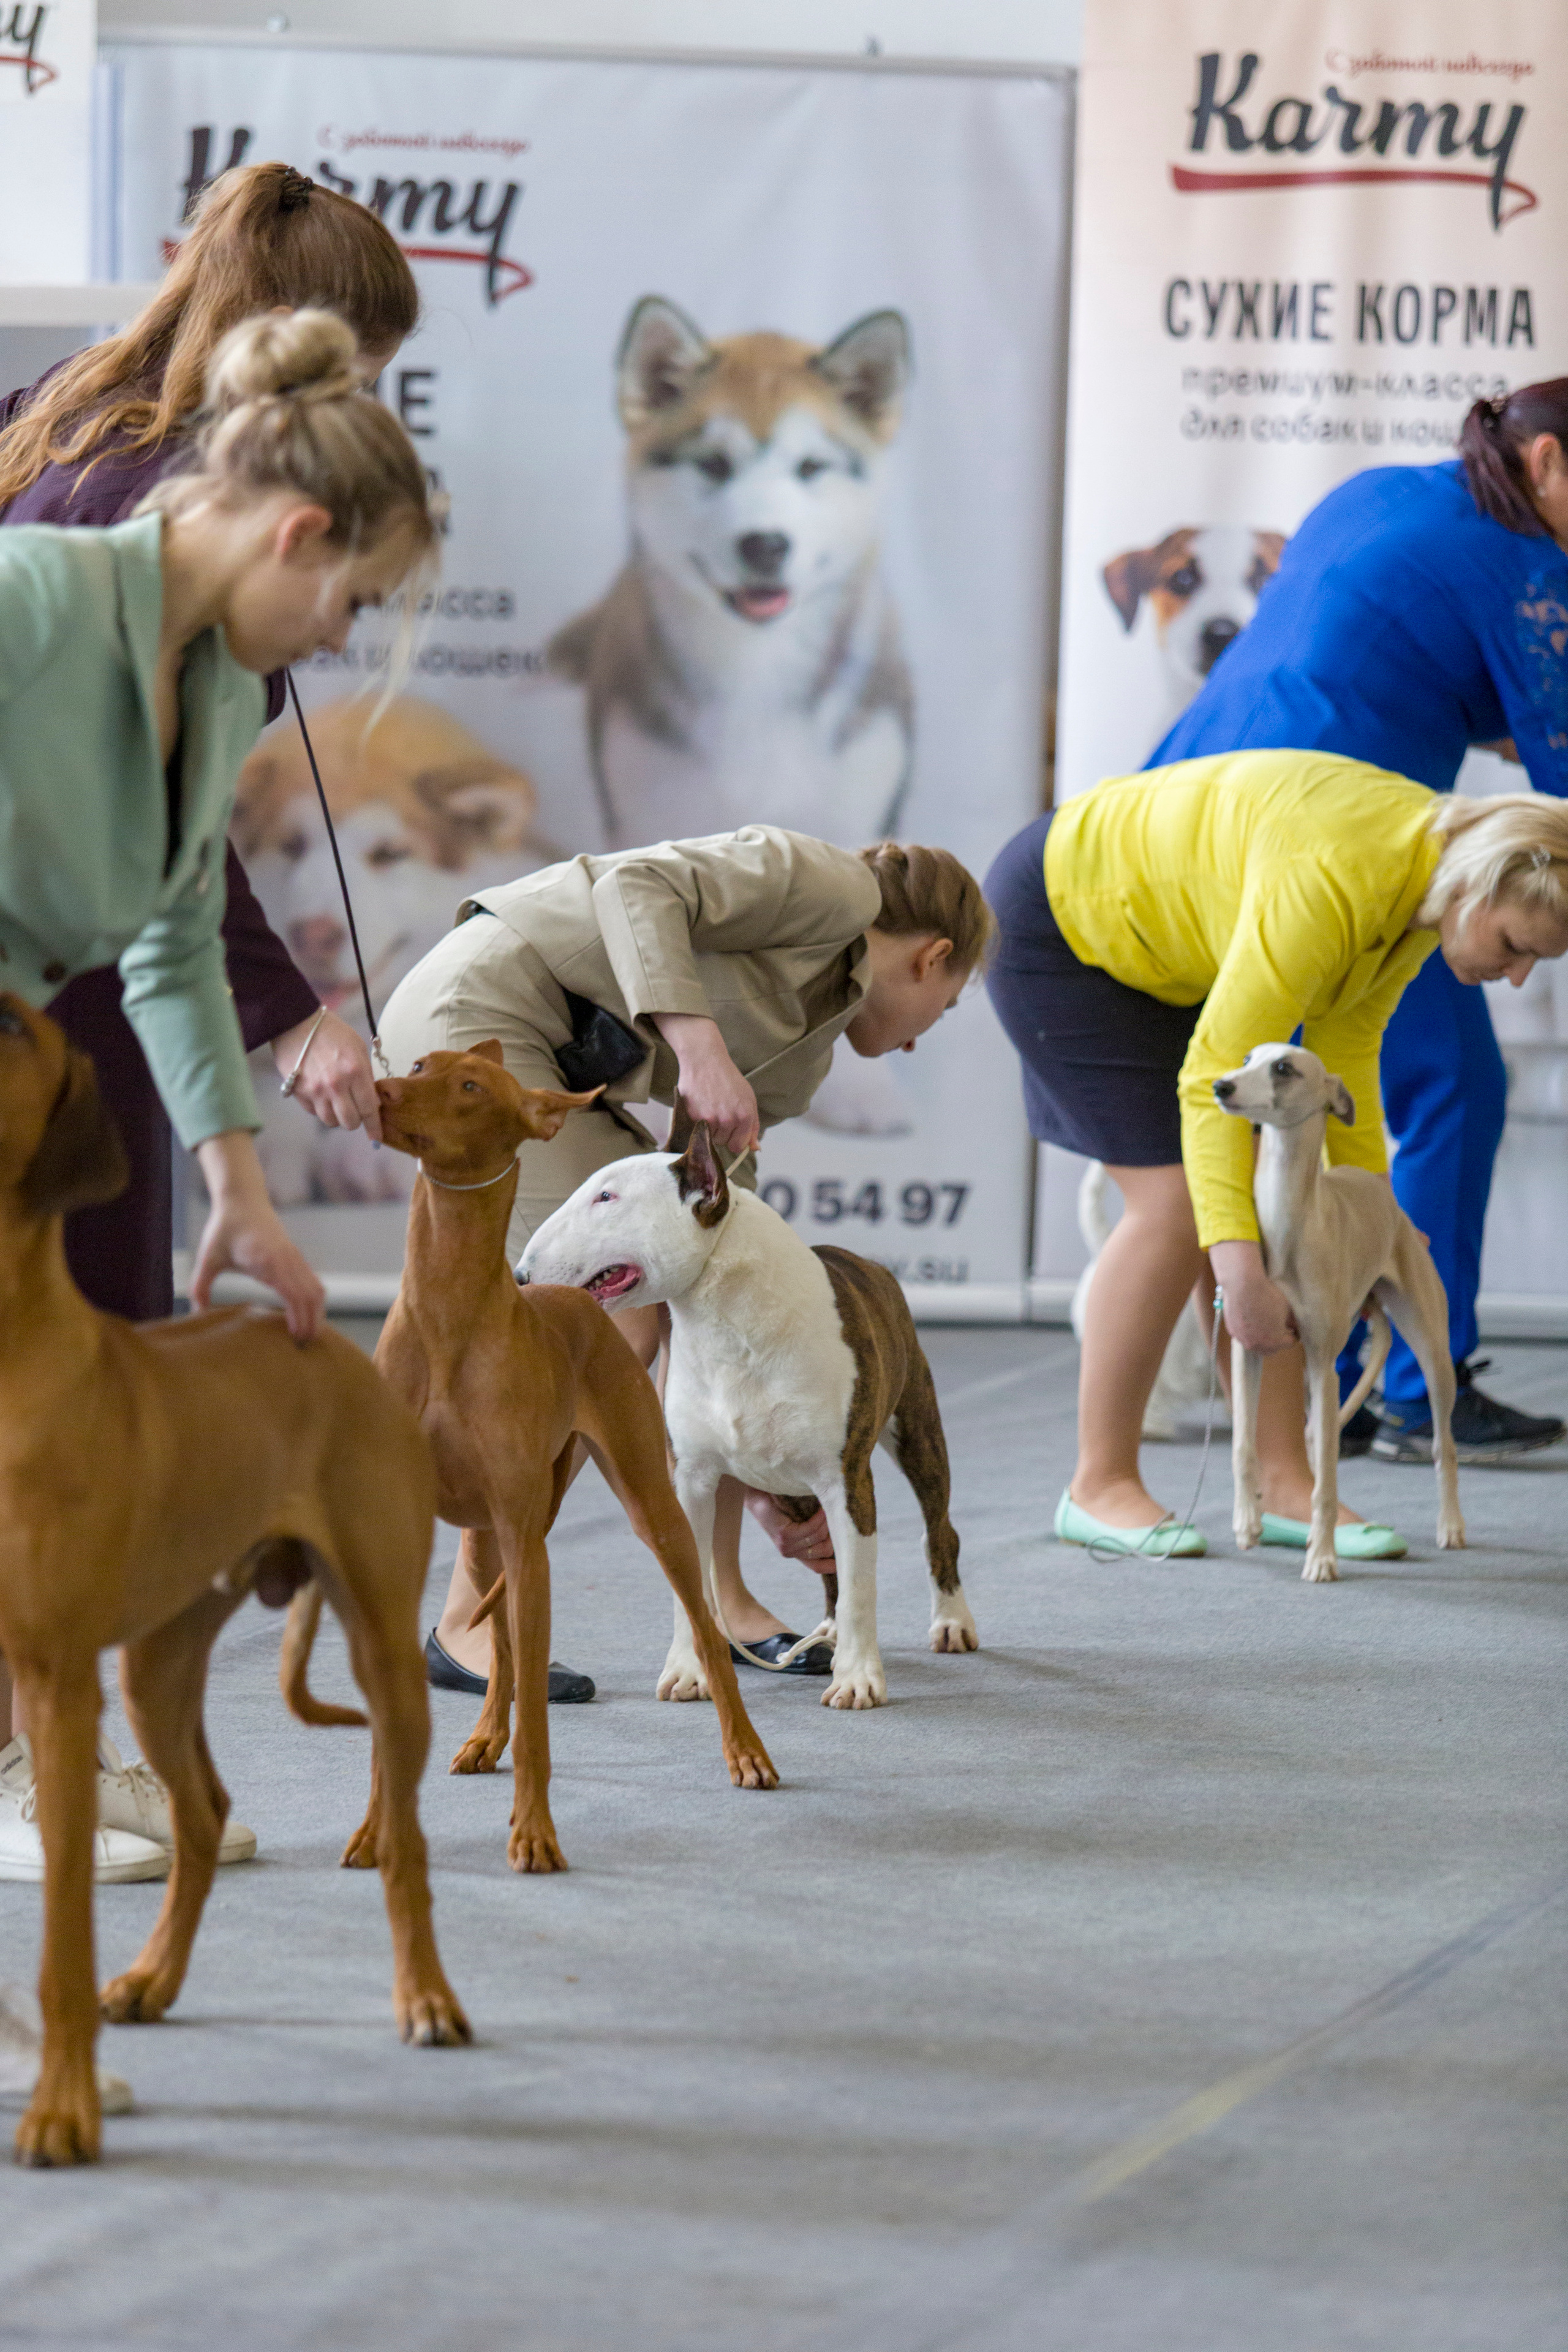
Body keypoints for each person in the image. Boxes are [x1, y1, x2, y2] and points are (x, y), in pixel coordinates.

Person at [0, 162, 421, 1872]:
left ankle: (47, 1750)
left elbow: (172, 918)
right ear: (294, 530)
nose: (339, 648)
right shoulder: (56, 580)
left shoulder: (183, 614)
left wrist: (240, 1188)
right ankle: (43, 1759)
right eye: (351, 608)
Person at [378, 828, 993, 1684]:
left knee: (687, 1294)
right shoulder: (829, 885)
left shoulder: (804, 1060)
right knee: (604, 1327)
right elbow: (635, 886)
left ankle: (723, 1600)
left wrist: (778, 1491)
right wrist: (700, 1048)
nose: (926, 1038)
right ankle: (465, 1622)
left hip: (549, 1048)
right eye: (950, 1007)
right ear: (932, 959)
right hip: (486, 1014)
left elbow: (709, 1237)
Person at [984, 752, 1568, 1558]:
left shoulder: (1421, 894)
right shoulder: (1333, 879)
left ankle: (1285, 1479)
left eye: (1538, 961)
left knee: (1291, 1221)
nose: (1516, 977)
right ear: (1476, 885)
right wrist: (1237, 1273)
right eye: (1515, 945)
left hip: (1169, 952)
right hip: (1060, 928)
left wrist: (1374, 1235)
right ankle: (1098, 1483)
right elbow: (1206, 1084)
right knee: (1183, 1204)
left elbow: (1346, 1064)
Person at [1150, 383, 1568, 1466]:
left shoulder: (1387, 495)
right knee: (1449, 1088)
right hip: (1328, 846)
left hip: (1196, 815)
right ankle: (1401, 1383)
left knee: (1289, 1098)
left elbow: (1420, 668)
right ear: (1554, 467)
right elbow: (1555, 780)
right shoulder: (1526, 565)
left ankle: (1330, 1379)